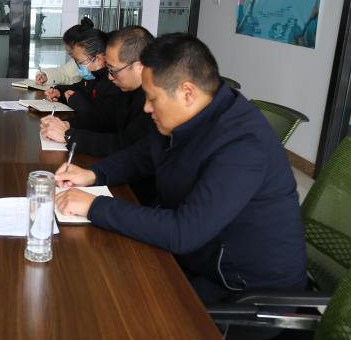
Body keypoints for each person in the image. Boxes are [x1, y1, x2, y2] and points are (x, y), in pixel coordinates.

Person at [53, 33, 306, 305]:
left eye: (153, 99)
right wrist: (93, 174)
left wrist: (94, 206)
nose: (146, 108)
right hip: (199, 259)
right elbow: (143, 155)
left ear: (187, 93)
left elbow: (183, 232)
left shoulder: (243, 144)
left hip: (242, 291)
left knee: (111, 299)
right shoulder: (194, 113)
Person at [40, 26, 155, 158]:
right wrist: (67, 125)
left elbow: (126, 145)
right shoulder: (128, 90)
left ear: (139, 66)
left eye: (113, 70)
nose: (110, 77)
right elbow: (106, 123)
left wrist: (69, 135)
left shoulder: (152, 98)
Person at [34, 17, 95, 86]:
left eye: (71, 53)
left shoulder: (100, 67)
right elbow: (66, 73)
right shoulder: (77, 61)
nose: (71, 56)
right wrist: (46, 76)